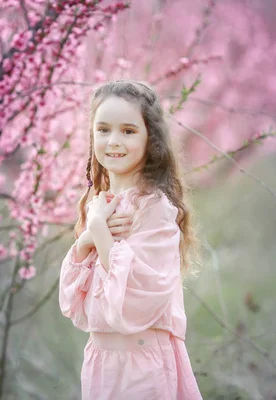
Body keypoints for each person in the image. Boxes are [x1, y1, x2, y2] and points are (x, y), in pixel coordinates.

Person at [58, 79, 203, 399]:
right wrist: (85, 241)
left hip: (143, 368)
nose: (113, 141)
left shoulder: (156, 209)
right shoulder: (99, 202)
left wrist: (99, 231)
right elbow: (75, 306)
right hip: (100, 364)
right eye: (103, 129)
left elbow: (138, 300)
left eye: (128, 130)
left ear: (151, 138)